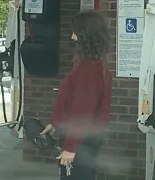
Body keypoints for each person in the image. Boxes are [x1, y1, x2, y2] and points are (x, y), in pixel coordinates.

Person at [40, 10, 112, 180]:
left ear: (85, 35)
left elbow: (82, 111)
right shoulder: (96, 66)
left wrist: (71, 147)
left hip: (81, 141)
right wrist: (56, 122)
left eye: (75, 32)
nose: (72, 37)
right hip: (86, 138)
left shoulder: (87, 69)